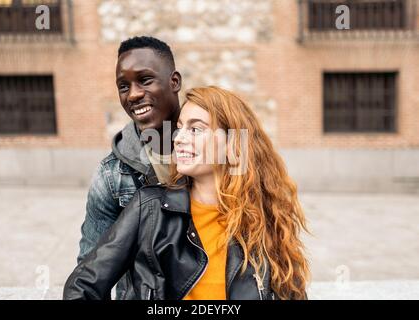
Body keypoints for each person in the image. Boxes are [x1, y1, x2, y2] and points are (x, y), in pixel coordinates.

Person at [64, 86, 310, 300]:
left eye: (196, 129)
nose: (179, 139)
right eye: (180, 129)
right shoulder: (149, 207)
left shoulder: (265, 217)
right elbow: (82, 286)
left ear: (233, 143)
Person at [77, 36, 182, 300]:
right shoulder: (111, 174)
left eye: (145, 80)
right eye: (123, 86)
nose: (133, 95)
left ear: (174, 81)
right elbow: (89, 271)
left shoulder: (214, 152)